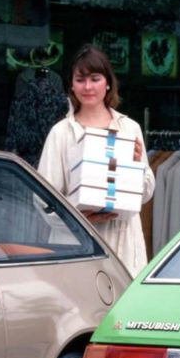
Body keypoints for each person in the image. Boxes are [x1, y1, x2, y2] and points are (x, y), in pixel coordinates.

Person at [36, 45, 154, 273]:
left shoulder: (129, 128)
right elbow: (43, 198)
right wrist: (76, 217)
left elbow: (146, 192)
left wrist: (136, 167)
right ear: (71, 85)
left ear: (108, 82)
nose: (88, 87)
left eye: (95, 79)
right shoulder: (61, 133)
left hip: (123, 242)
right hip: (76, 244)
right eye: (80, 80)